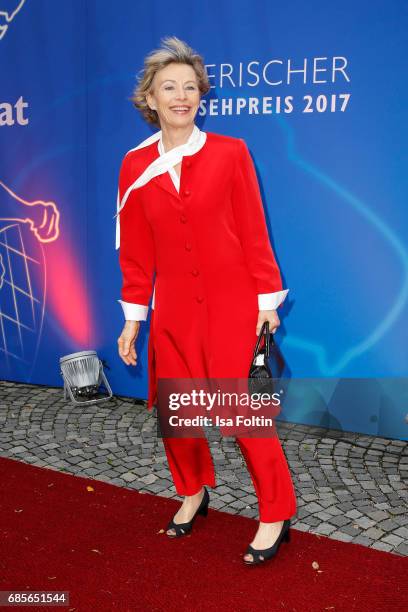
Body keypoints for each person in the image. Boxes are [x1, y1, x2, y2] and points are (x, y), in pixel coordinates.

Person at [116, 36, 297, 565]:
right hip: (173, 308)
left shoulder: (230, 151)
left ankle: (275, 512)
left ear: (201, 96)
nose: (181, 96)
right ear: (149, 98)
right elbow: (136, 251)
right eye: (169, 87)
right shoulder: (133, 166)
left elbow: (253, 230)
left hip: (233, 303)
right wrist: (133, 319)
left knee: (244, 416)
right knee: (176, 413)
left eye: (190, 87)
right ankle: (193, 491)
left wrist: (267, 299)